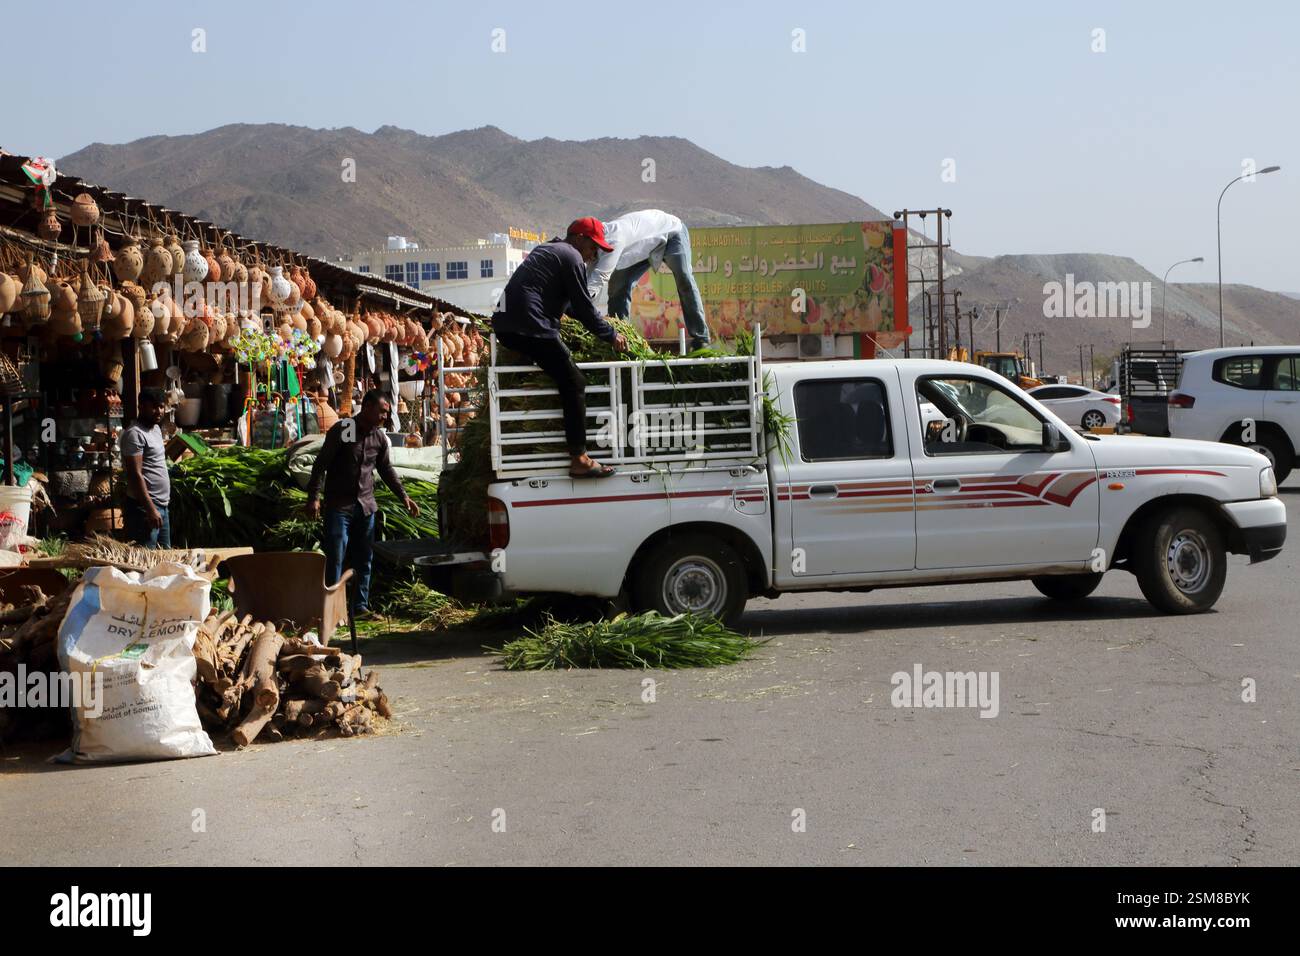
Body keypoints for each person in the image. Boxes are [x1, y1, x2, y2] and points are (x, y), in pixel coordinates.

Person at [492, 217, 628, 478]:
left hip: (507, 327)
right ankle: (579, 458)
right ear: (579, 238)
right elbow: (586, 308)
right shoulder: (571, 257)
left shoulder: (548, 250)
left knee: (546, 367)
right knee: (574, 381)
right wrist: (610, 334)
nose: (592, 256)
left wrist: (600, 323)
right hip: (531, 325)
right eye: (592, 248)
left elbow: (572, 307)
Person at [306, 390, 420, 620]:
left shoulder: (379, 437)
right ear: (366, 407)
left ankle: (360, 607)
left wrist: (404, 496)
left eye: (386, 413)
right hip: (340, 506)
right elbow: (321, 464)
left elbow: (386, 469)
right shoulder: (346, 429)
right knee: (336, 557)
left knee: (364, 558)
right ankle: (332, 611)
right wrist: (314, 497)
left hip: (366, 506)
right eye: (381, 411)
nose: (384, 417)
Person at [586, 209, 710, 351]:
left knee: (684, 279)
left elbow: (599, 278)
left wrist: (580, 306)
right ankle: (619, 338)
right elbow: (589, 285)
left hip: (671, 232)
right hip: (644, 247)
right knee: (617, 287)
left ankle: (701, 338)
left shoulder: (614, 240)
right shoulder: (591, 250)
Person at [121, 388, 172, 548]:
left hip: (162, 506)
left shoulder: (156, 429)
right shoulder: (134, 434)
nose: (159, 411)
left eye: (162, 407)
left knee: (165, 560)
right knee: (144, 563)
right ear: (141, 407)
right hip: (144, 509)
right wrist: (150, 509)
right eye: (154, 407)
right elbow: (135, 474)